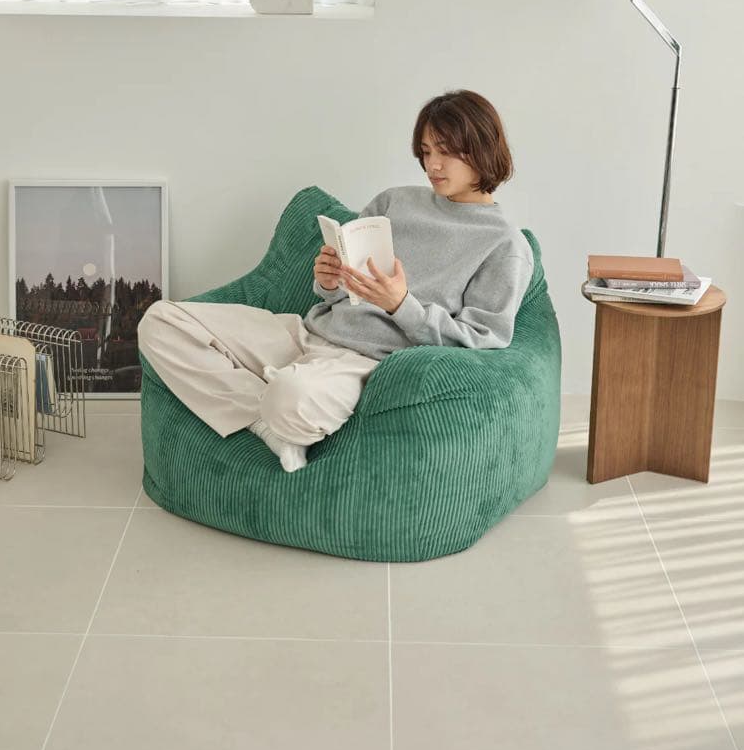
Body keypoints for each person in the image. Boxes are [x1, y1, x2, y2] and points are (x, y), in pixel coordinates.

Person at [137, 89, 534, 473]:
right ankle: (264, 423)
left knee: (290, 398)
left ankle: (275, 402)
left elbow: (482, 339)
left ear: (481, 148)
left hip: (361, 363)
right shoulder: (394, 201)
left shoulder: (503, 244)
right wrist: (329, 281)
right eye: (426, 152)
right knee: (160, 321)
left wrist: (401, 305)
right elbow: (345, 287)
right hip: (305, 333)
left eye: (445, 152)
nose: (432, 165)